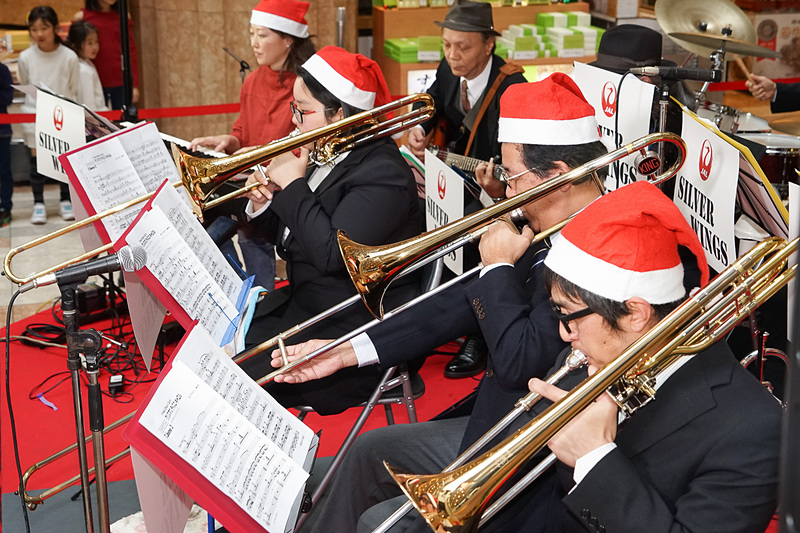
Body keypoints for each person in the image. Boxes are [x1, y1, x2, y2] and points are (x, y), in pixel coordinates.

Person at [270, 73, 609, 532]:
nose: (506, 190)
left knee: (381, 522)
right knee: (368, 452)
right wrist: (343, 352)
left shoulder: (607, 251)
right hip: (495, 418)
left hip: (539, 456)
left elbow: (521, 359)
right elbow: (456, 303)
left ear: (560, 176)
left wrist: (497, 269)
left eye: (512, 177)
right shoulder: (539, 220)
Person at [526, 180, 779, 533]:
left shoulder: (754, 429)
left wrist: (594, 458)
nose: (563, 334)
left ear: (635, 314)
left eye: (568, 317)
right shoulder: (589, 354)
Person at [238, 46, 424, 415]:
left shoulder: (383, 173)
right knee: (210, 352)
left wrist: (292, 186)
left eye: (302, 111)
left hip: (346, 330)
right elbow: (294, 240)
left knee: (232, 383)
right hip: (305, 305)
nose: (294, 122)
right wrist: (264, 201)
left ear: (339, 114)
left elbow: (329, 254)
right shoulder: (327, 150)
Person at [407, 0, 527, 379]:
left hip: (495, 189)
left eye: (464, 47)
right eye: (447, 45)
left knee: (482, 250)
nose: (453, 56)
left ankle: (479, 334)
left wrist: (497, 187)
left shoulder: (513, 87)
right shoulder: (448, 68)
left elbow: (519, 158)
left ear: (489, 45)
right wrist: (421, 128)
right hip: (453, 176)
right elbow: (436, 104)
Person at [190, 0, 315, 291]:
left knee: (250, 235)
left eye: (262, 35)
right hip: (246, 183)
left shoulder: (304, 86)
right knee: (203, 236)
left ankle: (260, 302)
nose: (254, 43)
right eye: (251, 34)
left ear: (288, 40)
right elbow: (242, 133)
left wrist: (258, 155)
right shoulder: (254, 81)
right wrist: (228, 141)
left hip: (278, 188)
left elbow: (303, 148)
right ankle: (239, 294)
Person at [18, 6, 79, 225]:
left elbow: (73, 86)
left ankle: (65, 199)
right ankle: (38, 203)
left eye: (44, 28)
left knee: (63, 160)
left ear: (54, 28)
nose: (39, 34)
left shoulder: (69, 57)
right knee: (36, 163)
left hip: (62, 114)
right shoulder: (26, 57)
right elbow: (26, 81)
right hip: (33, 114)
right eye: (33, 29)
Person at [73, 0, 139, 110]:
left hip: (120, 81)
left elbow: (131, 52)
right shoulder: (82, 17)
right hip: (93, 80)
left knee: (122, 122)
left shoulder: (123, 16)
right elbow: (75, 51)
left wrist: (134, 85)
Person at [66, 20, 108, 111]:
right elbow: (89, 104)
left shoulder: (87, 63)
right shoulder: (83, 70)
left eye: (96, 42)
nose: (95, 47)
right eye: (90, 43)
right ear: (75, 45)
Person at [0, 58, 13, 227]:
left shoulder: (2, 70)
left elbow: (7, 97)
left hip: (2, 130)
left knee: (4, 171)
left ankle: (6, 207)